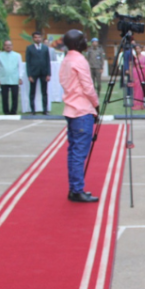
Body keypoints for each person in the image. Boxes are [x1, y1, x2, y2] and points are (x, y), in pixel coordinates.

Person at [59, 29, 100, 203]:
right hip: (82, 110)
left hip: (71, 109)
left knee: (73, 152)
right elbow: (88, 87)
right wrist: (96, 105)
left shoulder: (67, 59)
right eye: (83, 39)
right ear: (77, 43)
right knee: (78, 153)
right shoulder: (79, 60)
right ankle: (76, 190)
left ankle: (74, 187)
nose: (86, 41)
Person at [26, 31, 52, 115]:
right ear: (33, 38)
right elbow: (28, 62)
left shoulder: (45, 48)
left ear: (41, 38)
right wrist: (29, 75)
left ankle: (45, 110)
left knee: (44, 92)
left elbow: (48, 61)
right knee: (32, 92)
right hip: (33, 73)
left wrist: (48, 74)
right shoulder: (29, 48)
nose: (37, 39)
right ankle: (32, 110)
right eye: (35, 37)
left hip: (44, 72)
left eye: (39, 37)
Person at [0, 39, 22, 115]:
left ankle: (13, 111)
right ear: (4, 47)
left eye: (9, 45)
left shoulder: (17, 55)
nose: (8, 47)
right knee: (4, 97)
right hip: (4, 79)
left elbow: (20, 67)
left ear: (12, 46)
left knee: (15, 96)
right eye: (6, 45)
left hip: (14, 78)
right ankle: (6, 111)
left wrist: (20, 77)